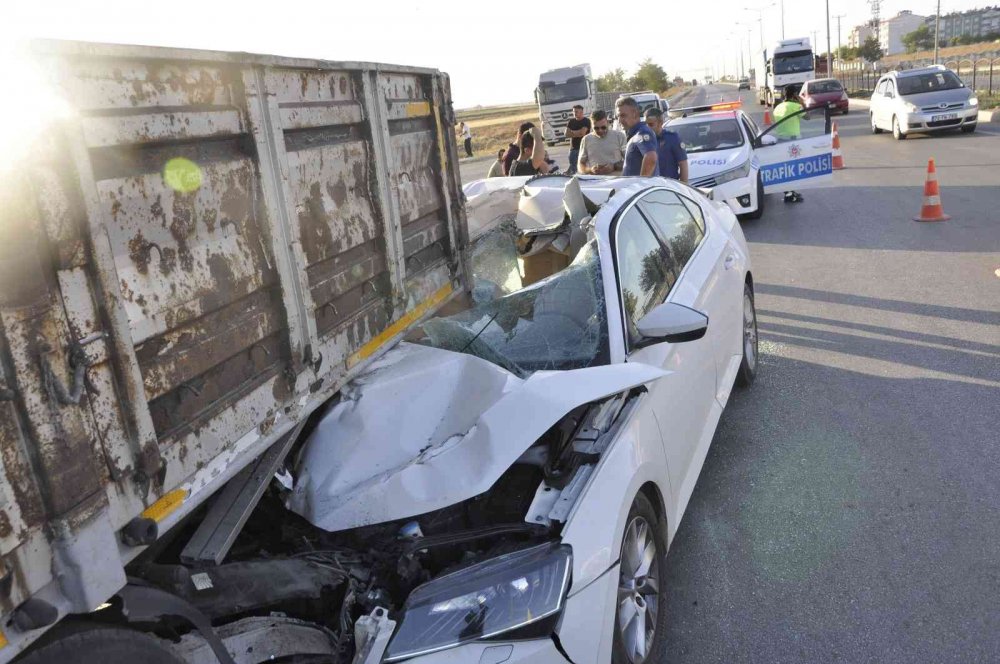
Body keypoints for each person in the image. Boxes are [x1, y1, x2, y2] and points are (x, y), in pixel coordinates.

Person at [772, 86, 805, 203]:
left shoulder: (777, 107)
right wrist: (802, 102)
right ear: (795, 94)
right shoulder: (796, 106)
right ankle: (790, 194)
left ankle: (789, 191)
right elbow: (808, 117)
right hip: (793, 142)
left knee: (786, 168)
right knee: (793, 168)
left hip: (781, 140)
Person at [615, 97, 658, 177]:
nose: (619, 120)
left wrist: (641, 183)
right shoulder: (634, 134)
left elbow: (651, 157)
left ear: (635, 114)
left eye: (623, 115)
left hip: (640, 188)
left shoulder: (642, 132)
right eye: (618, 116)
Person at [644, 107, 688, 183]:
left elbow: (683, 163)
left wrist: (683, 187)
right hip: (650, 188)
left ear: (660, 123)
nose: (647, 128)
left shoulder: (671, 138)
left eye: (651, 124)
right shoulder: (643, 141)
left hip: (669, 186)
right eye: (646, 124)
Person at [578, 110, 626, 175]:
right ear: (592, 126)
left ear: (608, 123)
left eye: (603, 127)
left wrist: (614, 167)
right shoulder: (586, 139)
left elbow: (629, 160)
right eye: (596, 128)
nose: (600, 130)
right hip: (596, 182)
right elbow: (581, 164)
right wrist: (590, 170)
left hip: (617, 181)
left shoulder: (619, 136)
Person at [563, 105, 591, 175]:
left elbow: (582, 133)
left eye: (576, 111)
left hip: (583, 148)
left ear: (581, 112)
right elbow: (566, 134)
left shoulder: (586, 121)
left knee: (582, 167)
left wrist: (572, 132)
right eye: (573, 112)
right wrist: (577, 133)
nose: (574, 113)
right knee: (573, 167)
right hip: (573, 149)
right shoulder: (571, 121)